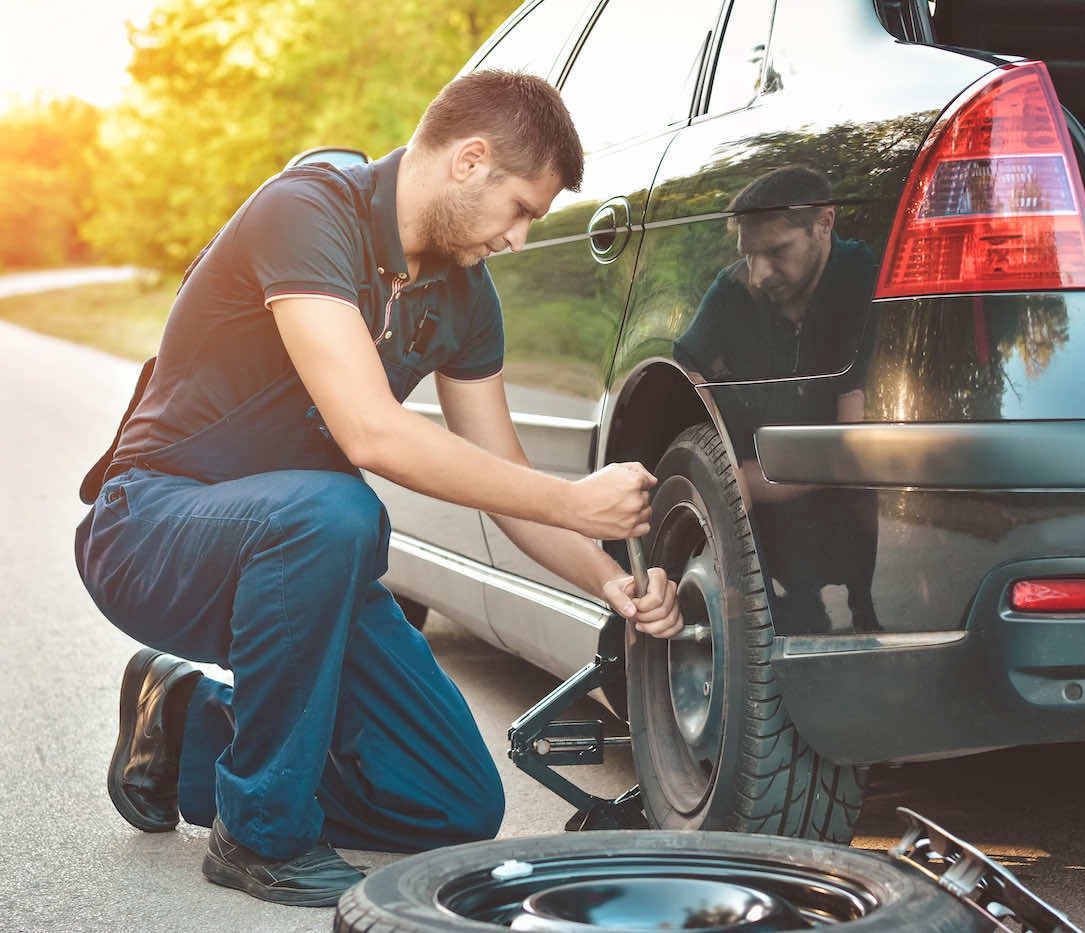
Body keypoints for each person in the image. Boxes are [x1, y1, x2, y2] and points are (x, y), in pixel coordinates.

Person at [74, 70, 681, 908]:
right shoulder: (309, 212)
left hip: (301, 562)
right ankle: (259, 834)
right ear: (470, 160)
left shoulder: (466, 298)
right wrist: (579, 502)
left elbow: (508, 482)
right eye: (521, 209)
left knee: (453, 802)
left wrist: (609, 579)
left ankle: (184, 724)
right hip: (151, 525)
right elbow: (371, 432)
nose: (517, 240)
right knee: (341, 511)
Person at [673, 165, 880, 635]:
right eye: (750, 255)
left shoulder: (860, 277)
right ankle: (788, 603)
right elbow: (687, 364)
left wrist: (749, 481)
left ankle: (862, 604)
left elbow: (851, 440)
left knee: (859, 501)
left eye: (776, 252)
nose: (760, 273)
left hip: (827, 460)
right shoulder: (734, 287)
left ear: (824, 224)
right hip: (761, 446)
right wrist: (722, 455)